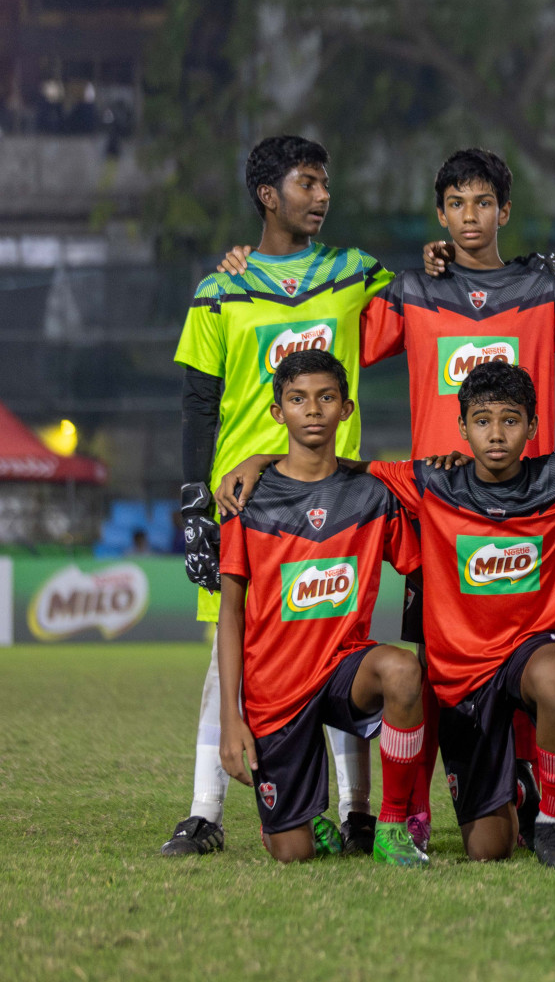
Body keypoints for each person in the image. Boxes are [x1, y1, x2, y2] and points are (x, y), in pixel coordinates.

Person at [216, 147, 555, 852]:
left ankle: (536, 794)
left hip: (521, 508)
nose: (470, 217)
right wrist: (251, 266)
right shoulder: (413, 291)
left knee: (534, 661)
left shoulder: (543, 291)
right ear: (440, 214)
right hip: (436, 511)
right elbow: (323, 341)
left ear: (504, 212)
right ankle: (410, 815)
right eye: (457, 204)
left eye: (484, 204)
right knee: (428, 674)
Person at [167, 135, 391, 857]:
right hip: (247, 507)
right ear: (268, 195)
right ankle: (205, 811)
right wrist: (194, 504)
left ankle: (358, 811)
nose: (322, 197)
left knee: (334, 641)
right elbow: (198, 406)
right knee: (223, 655)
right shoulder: (219, 290)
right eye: (307, 183)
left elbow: (431, 304)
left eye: (326, 184)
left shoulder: (355, 274)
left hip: (334, 496)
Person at [216, 350, 426, 865]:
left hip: (342, 671)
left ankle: (393, 827)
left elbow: (421, 563)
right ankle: (302, 818)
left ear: (346, 409)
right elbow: (231, 615)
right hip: (276, 690)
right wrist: (230, 717)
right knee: (294, 855)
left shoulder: (373, 496)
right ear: (277, 411)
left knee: (401, 670)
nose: (312, 410)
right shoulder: (248, 499)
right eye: (297, 399)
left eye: (326, 398)